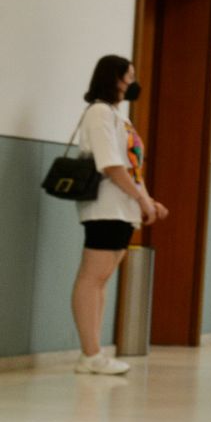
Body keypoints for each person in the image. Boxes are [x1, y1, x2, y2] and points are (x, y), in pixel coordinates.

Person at [70, 55, 166, 375]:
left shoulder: (117, 116)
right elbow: (110, 165)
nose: (132, 82)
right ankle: (90, 354)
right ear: (113, 78)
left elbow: (130, 165)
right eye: (129, 76)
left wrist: (147, 200)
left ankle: (95, 352)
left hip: (122, 208)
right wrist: (141, 199)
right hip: (105, 207)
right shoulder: (99, 113)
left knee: (101, 279)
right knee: (92, 277)